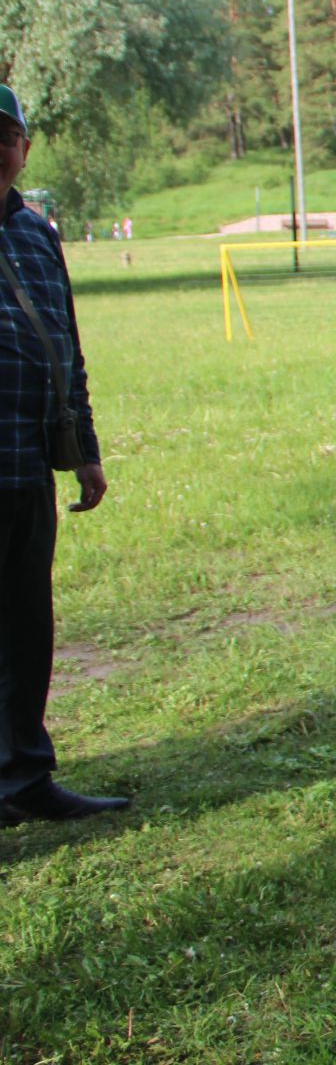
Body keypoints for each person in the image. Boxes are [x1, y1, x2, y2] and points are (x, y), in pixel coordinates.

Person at [0, 84, 124, 825]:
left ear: (24, 146)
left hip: (23, 465)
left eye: (6, 134)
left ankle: (23, 777)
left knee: (24, 622)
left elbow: (64, 349)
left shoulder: (37, 234)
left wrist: (83, 450)